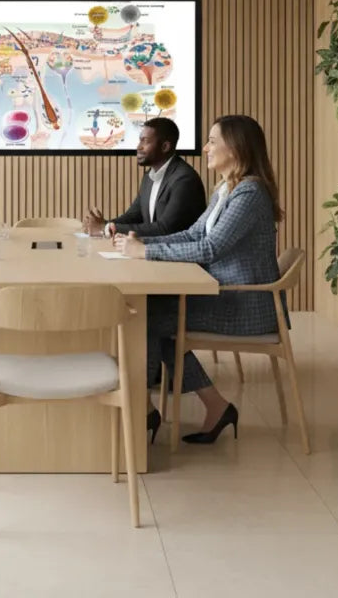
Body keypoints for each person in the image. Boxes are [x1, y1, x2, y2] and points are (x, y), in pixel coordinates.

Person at [114, 114, 284, 445]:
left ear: (235, 148)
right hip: (228, 294)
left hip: (244, 303)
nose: (205, 148)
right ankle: (214, 407)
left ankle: (142, 409)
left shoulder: (249, 194)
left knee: (147, 318)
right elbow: (193, 233)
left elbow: (210, 247)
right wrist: (139, 244)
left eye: (212, 141)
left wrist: (146, 253)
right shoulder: (227, 189)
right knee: (158, 319)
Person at [84, 118, 206, 238]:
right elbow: (134, 216)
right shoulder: (149, 176)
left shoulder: (184, 179)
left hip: (179, 255)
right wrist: (106, 224)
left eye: (145, 141)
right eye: (139, 141)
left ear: (165, 147)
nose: (138, 147)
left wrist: (106, 228)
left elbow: (166, 229)